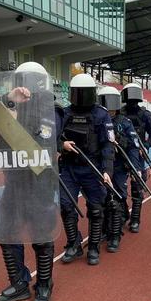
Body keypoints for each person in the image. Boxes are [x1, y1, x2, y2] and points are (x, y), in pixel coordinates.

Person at [0, 62, 60, 301]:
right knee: (6, 232)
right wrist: (9, 100)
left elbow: (61, 138)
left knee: (42, 233)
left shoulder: (52, 109)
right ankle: (18, 283)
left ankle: (44, 283)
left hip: (41, 184)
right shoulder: (9, 104)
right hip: (14, 183)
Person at [56, 73, 115, 265]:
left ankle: (94, 247)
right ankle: (74, 243)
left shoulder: (101, 114)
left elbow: (107, 145)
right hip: (69, 168)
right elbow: (51, 138)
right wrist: (61, 145)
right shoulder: (64, 113)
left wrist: (107, 170)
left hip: (93, 168)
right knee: (66, 206)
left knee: (96, 209)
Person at [98, 86, 141, 251]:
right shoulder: (96, 120)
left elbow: (133, 147)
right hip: (100, 166)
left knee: (115, 199)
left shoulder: (124, 122)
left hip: (118, 167)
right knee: (100, 200)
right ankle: (103, 229)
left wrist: (135, 167)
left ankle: (114, 235)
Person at [120, 83, 151, 231]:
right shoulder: (119, 113)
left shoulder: (145, 114)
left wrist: (146, 146)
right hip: (120, 155)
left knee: (137, 188)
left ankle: (135, 220)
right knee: (118, 188)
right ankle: (123, 213)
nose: (132, 102)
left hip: (138, 155)